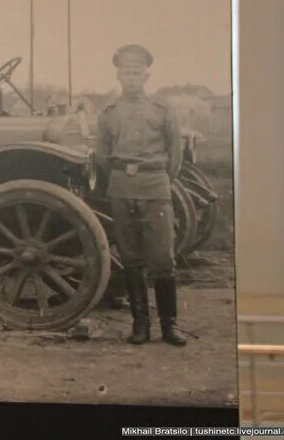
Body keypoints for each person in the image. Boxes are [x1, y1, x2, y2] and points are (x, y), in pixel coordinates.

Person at [96, 44, 187, 347]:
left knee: (162, 259)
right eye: (125, 72)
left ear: (146, 75)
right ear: (118, 76)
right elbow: (103, 155)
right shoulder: (109, 112)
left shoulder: (162, 110)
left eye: (136, 72)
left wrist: (159, 179)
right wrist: (121, 178)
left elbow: (175, 155)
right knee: (131, 260)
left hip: (155, 187)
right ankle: (140, 325)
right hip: (121, 187)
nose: (131, 77)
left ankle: (169, 326)